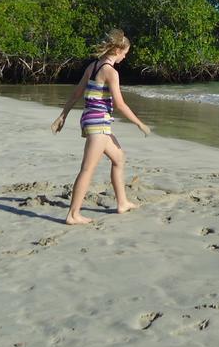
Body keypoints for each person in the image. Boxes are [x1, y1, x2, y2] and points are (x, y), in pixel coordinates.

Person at [51, 29, 151, 224]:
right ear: (117, 50)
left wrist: (63, 116)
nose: (125, 57)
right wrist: (140, 123)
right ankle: (73, 214)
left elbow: (76, 93)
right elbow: (120, 104)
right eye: (125, 53)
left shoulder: (93, 66)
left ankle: (122, 203)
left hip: (91, 119)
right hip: (98, 124)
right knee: (87, 169)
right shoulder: (110, 72)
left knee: (119, 158)